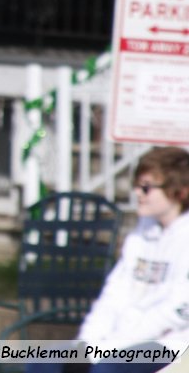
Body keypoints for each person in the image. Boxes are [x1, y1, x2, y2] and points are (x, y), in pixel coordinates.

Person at [28, 146, 189, 373]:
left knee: (107, 369)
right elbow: (113, 295)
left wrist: (112, 347)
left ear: (179, 192)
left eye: (146, 188)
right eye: (136, 186)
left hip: (171, 345)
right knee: (44, 363)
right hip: (118, 339)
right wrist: (86, 343)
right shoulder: (141, 234)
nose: (137, 193)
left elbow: (174, 313)